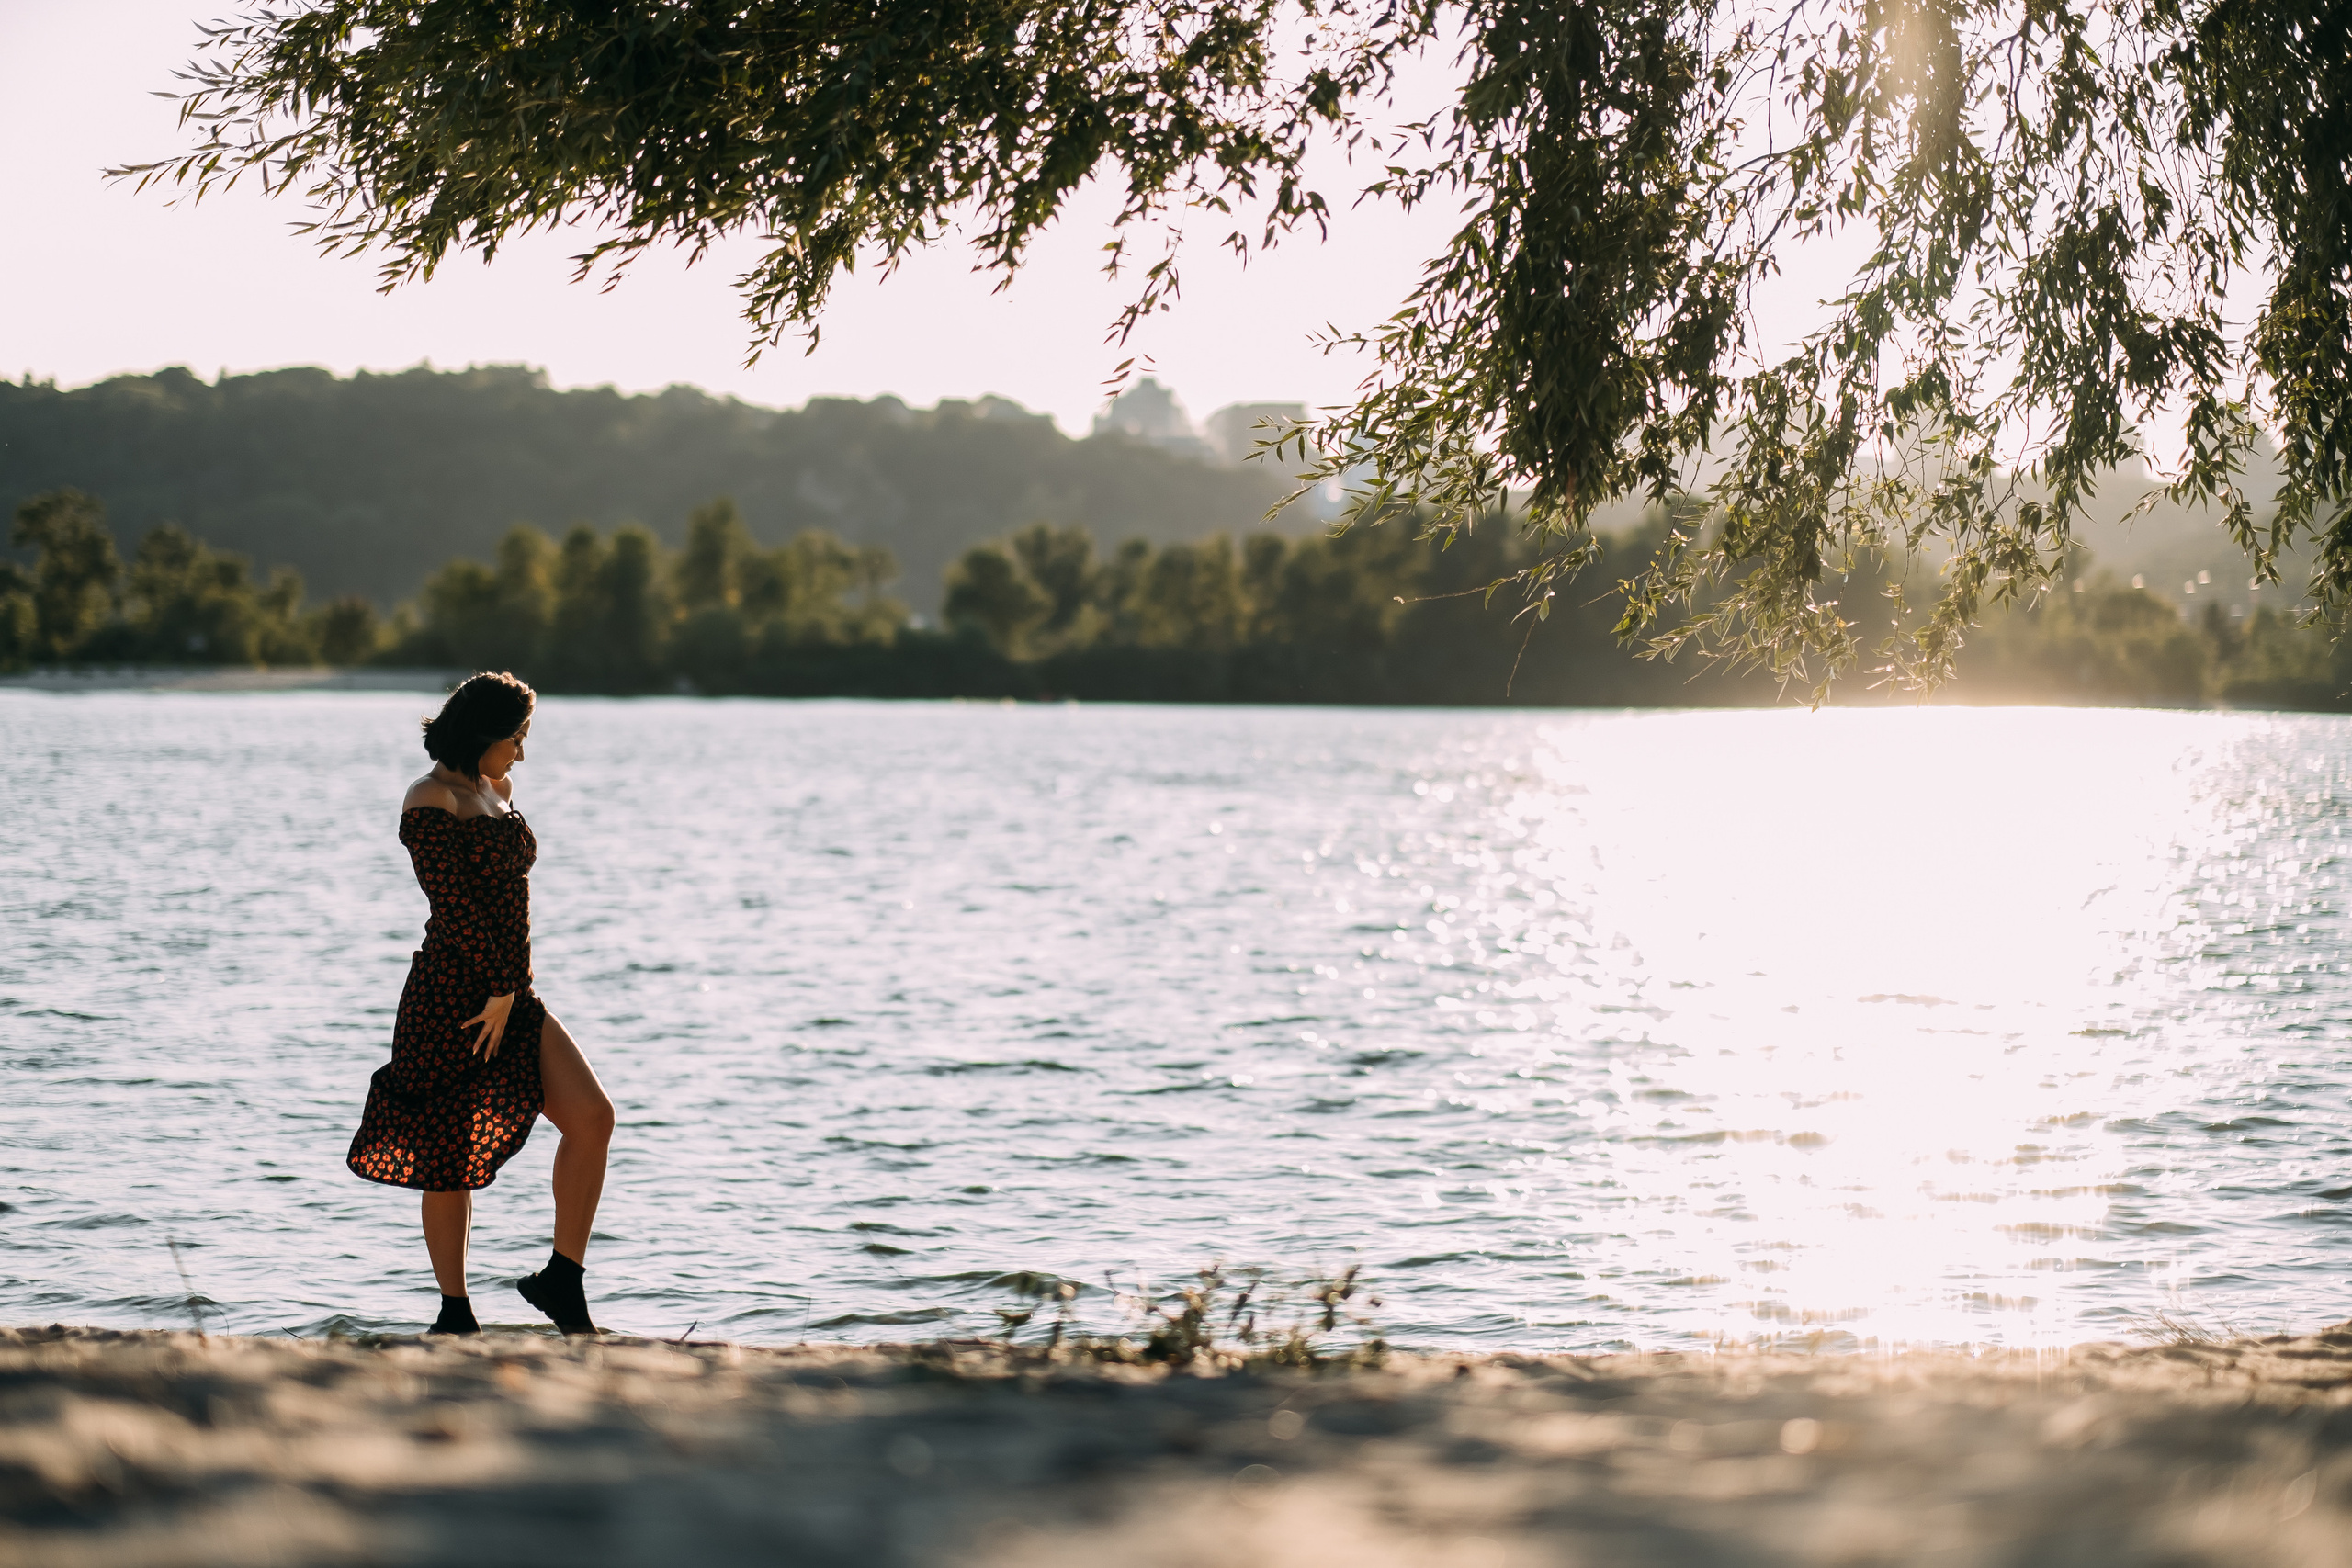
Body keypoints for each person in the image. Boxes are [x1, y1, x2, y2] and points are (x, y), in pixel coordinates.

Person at [346, 671, 616, 1335]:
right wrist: (497, 987)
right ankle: (455, 1309)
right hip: (450, 998)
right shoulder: (429, 798)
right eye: (515, 739)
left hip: (511, 992)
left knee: (593, 1117)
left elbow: (513, 903)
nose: (521, 754)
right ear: (481, 735)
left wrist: (510, 987)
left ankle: (563, 1278)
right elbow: (456, 907)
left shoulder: (497, 790)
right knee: (448, 1155)